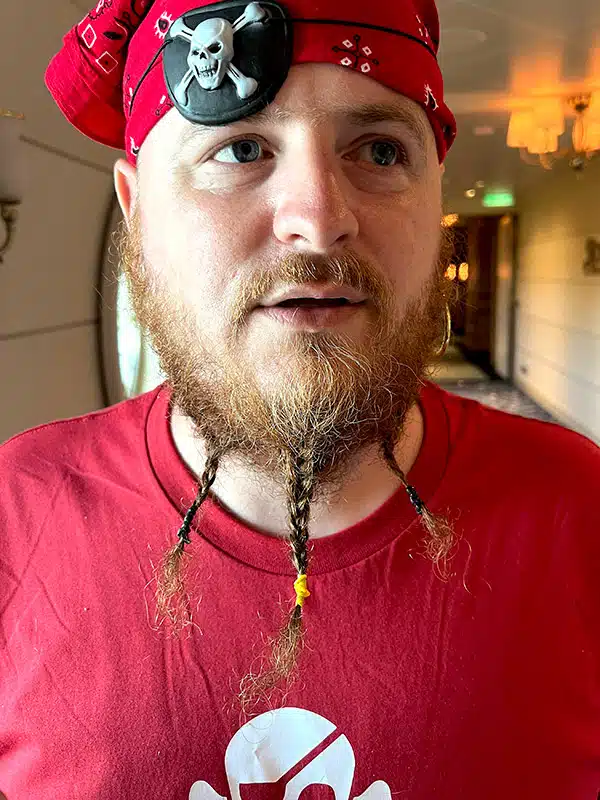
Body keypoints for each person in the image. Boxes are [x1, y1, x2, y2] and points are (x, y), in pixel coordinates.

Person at [0, 0, 598, 797]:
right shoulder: (15, 515)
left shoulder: (580, 509)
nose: (319, 219)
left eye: (380, 150)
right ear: (137, 213)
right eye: (240, 147)